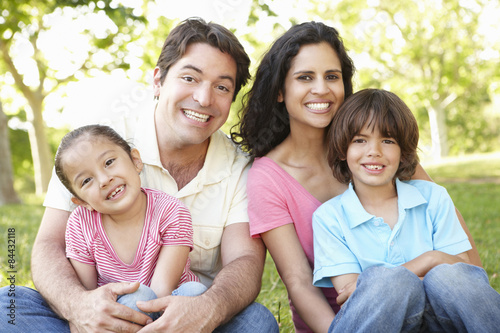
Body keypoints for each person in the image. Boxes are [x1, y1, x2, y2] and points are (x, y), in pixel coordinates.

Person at [1, 18, 278, 332]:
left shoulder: (241, 167)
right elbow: (48, 245)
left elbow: (244, 260)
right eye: (190, 77)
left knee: (256, 322)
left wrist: (209, 308)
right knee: (7, 305)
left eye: (222, 87)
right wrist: (80, 307)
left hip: (188, 320)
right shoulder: (95, 146)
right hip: (101, 312)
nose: (204, 98)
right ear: (158, 80)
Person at [231, 21, 482, 333]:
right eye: (305, 77)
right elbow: (298, 282)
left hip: (427, 310)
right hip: (346, 320)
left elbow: (458, 249)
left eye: (332, 77)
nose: (321, 89)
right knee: (389, 284)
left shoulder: (379, 151)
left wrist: (470, 297)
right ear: (280, 91)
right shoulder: (267, 177)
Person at [312, 88, 500, 332]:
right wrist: (430, 261)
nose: (374, 151)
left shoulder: (432, 197)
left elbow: (463, 274)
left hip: (440, 321)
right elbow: (352, 296)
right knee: (391, 283)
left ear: (403, 152)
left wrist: (420, 271)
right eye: (360, 140)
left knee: (449, 278)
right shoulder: (329, 217)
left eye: (388, 140)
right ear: (342, 150)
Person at [55, 124, 207, 324]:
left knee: (194, 292)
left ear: (135, 161)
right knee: (7, 304)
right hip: (116, 316)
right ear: (82, 202)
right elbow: (88, 298)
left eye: (109, 162)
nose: (104, 179)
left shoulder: (171, 211)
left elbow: (161, 292)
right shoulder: (80, 223)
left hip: (171, 312)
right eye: (86, 181)